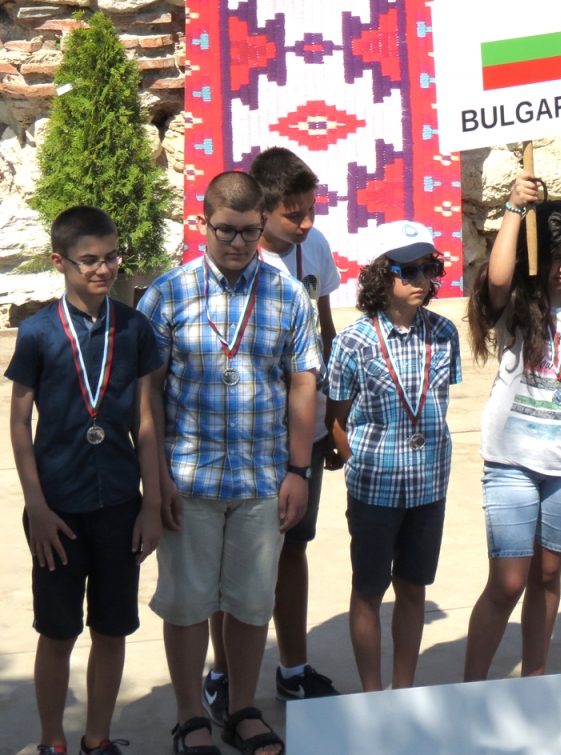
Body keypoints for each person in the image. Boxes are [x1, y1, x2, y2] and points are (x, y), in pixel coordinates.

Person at [138, 172, 320, 755]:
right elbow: (147, 394)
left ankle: (242, 709)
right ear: (203, 224)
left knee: (250, 603)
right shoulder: (167, 294)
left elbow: (303, 383)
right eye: (226, 231)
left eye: (249, 231)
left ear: (262, 225)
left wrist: (298, 472)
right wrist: (155, 481)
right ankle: (190, 717)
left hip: (262, 480)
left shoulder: (287, 294)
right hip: (188, 479)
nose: (239, 243)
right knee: (187, 604)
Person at [6, 206, 162, 755]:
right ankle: (53, 741)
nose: (104, 269)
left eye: (112, 257)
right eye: (89, 260)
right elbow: (19, 423)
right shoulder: (38, 332)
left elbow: (146, 420)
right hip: (57, 510)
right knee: (57, 630)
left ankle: (98, 738)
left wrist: (151, 503)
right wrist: (37, 507)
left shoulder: (135, 327)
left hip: (119, 502)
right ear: (60, 262)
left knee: (112, 628)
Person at [463, 175, 561, 681]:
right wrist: (514, 208)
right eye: (558, 256)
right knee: (508, 581)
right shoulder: (516, 298)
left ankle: (535, 679)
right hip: (511, 460)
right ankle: (470, 689)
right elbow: (496, 277)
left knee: (548, 574)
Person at [203, 147, 341, 713]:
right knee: (228, 559)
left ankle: (293, 667)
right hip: (246, 437)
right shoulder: (238, 260)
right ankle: (222, 674)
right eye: (293, 214)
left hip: (302, 433)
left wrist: (332, 416)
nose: (305, 223)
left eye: (310, 211)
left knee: (292, 548)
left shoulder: (315, 248)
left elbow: (326, 331)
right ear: (261, 210)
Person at [327, 221, 461, 692]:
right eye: (410, 270)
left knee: (413, 586)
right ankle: (372, 694)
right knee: (368, 589)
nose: (423, 279)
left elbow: (440, 399)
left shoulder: (444, 333)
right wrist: (358, 460)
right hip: (375, 488)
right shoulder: (354, 341)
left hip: (429, 484)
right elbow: (336, 417)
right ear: (383, 276)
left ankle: (403, 690)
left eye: (430, 268)